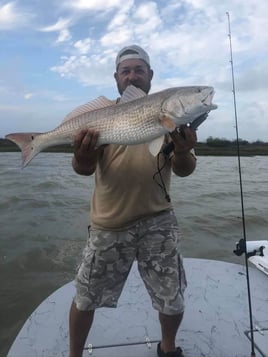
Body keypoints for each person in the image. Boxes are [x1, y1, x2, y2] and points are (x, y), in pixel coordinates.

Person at [69, 45, 197, 357]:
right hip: (109, 224)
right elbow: (84, 169)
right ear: (116, 78)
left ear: (150, 76)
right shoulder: (98, 118)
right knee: (85, 297)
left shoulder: (172, 117)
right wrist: (81, 154)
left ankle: (168, 349)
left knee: (172, 297)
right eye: (125, 71)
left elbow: (185, 170)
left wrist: (181, 150)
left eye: (139, 70)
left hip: (159, 221)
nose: (132, 76)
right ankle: (74, 354)